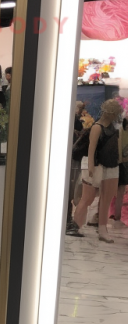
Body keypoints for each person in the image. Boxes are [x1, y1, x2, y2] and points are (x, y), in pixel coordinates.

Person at [73, 98, 123, 243]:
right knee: (87, 198)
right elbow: (91, 148)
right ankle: (76, 226)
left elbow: (117, 147)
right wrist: (90, 166)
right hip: (96, 164)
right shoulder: (97, 127)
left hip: (111, 164)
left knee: (106, 199)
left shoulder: (114, 128)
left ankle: (102, 229)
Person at [66, 101, 87, 236]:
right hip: (72, 158)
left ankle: (67, 219)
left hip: (74, 157)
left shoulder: (76, 120)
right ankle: (67, 220)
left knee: (70, 189)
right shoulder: (74, 120)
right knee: (70, 189)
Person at [109, 115, 127, 230]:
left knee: (115, 191)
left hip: (117, 164)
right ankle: (116, 217)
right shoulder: (120, 132)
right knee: (119, 191)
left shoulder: (117, 131)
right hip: (122, 164)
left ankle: (115, 216)